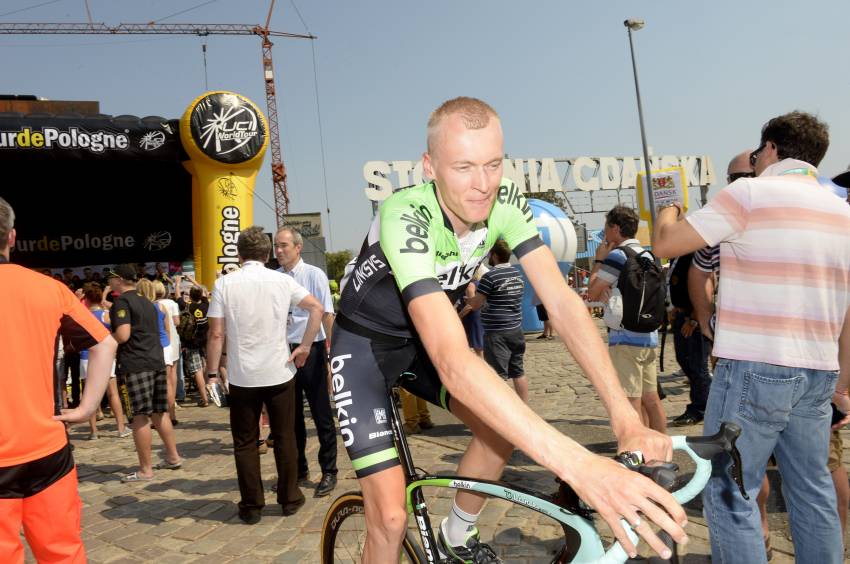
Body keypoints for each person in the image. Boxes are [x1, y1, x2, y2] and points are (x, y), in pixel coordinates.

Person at [331, 97, 685, 562]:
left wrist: (624, 418)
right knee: (391, 520)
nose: (482, 185)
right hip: (364, 353)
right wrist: (580, 465)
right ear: (429, 167)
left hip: (421, 344)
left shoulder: (506, 201)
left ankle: (456, 534)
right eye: (463, 167)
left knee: (501, 430)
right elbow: (454, 360)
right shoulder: (405, 213)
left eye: (492, 164)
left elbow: (561, 301)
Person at [652, 111, 850, 564]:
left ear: (772, 149)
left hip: (754, 366)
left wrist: (668, 203)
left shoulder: (747, 194)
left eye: (758, 152)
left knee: (729, 489)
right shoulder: (843, 212)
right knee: (812, 488)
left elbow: (666, 245)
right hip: (818, 370)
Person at [0, 197, 117, 563]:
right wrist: (86, 407)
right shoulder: (47, 288)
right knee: (63, 553)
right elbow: (105, 342)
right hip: (46, 447)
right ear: (13, 236)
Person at [206, 226, 324, 524]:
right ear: (267, 252)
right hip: (278, 370)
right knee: (285, 437)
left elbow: (216, 333)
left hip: (243, 374)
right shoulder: (281, 281)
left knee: (245, 442)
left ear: (239, 253)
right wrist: (306, 346)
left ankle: (251, 505)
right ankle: (289, 497)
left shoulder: (225, 284)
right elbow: (317, 308)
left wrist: (210, 373)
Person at [587, 205, 666, 434]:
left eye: (606, 228)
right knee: (651, 399)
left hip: (625, 339)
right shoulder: (648, 255)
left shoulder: (617, 256)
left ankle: (638, 450)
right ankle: (662, 446)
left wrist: (599, 261)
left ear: (615, 228)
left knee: (631, 399)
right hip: (648, 335)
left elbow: (593, 292)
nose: (604, 233)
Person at [274, 226, 339, 497]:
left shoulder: (314, 275)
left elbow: (326, 315)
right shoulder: (273, 278)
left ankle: (329, 471)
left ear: (298, 247)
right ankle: (299, 468)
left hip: (311, 350)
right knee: (291, 418)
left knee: (321, 413)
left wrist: (331, 357)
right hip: (282, 351)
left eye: (284, 246)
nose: (278, 251)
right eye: (276, 246)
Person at [108, 264, 182, 482]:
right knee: (160, 413)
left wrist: (103, 344)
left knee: (139, 416)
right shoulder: (148, 302)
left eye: (111, 279)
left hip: (134, 365)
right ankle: (173, 456)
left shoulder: (121, 302)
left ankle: (145, 469)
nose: (109, 282)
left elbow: (122, 335)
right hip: (156, 360)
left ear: (119, 280)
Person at [460, 240, 529, 402]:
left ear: (495, 256)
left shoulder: (490, 277)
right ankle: (525, 409)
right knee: (518, 372)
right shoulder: (517, 274)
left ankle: (505, 413)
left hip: (497, 332)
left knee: (498, 376)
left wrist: (468, 301)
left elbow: (476, 304)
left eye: (490, 254)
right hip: (516, 329)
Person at [79, 282, 129, 439]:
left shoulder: (81, 316)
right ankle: (121, 428)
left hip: (86, 357)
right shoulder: (105, 315)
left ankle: (93, 431)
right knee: (113, 393)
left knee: (89, 396)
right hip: (105, 356)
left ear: (85, 299)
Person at [154, 280, 181, 424]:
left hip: (162, 343)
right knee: (172, 376)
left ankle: (164, 411)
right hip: (172, 341)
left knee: (163, 380)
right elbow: (176, 323)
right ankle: (173, 410)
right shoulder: (172, 304)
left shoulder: (154, 306)